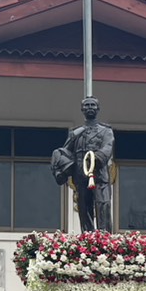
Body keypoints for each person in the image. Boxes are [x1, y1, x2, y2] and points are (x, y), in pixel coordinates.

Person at [50, 95, 115, 233]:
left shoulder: (106, 131)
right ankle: (87, 235)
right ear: (82, 109)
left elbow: (108, 147)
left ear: (98, 108)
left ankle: (104, 236)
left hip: (99, 174)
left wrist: (95, 159)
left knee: (103, 204)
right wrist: (61, 167)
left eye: (92, 105)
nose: (90, 108)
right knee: (84, 207)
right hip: (80, 174)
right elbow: (66, 151)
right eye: (87, 105)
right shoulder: (75, 133)